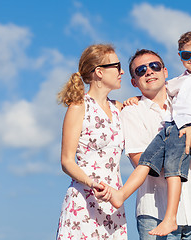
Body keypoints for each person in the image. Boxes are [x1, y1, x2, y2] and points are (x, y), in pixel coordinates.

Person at [107, 47, 191, 239]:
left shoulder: (186, 102)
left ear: (165, 72)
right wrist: (190, 147)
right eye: (141, 70)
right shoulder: (131, 112)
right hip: (154, 213)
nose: (149, 71)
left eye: (154, 66)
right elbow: (141, 163)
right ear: (134, 82)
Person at [56, 44, 128, 240]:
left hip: (113, 204)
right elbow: (67, 161)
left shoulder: (119, 108)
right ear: (99, 72)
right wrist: (92, 183)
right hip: (84, 203)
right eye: (117, 66)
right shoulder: (79, 106)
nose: (122, 71)